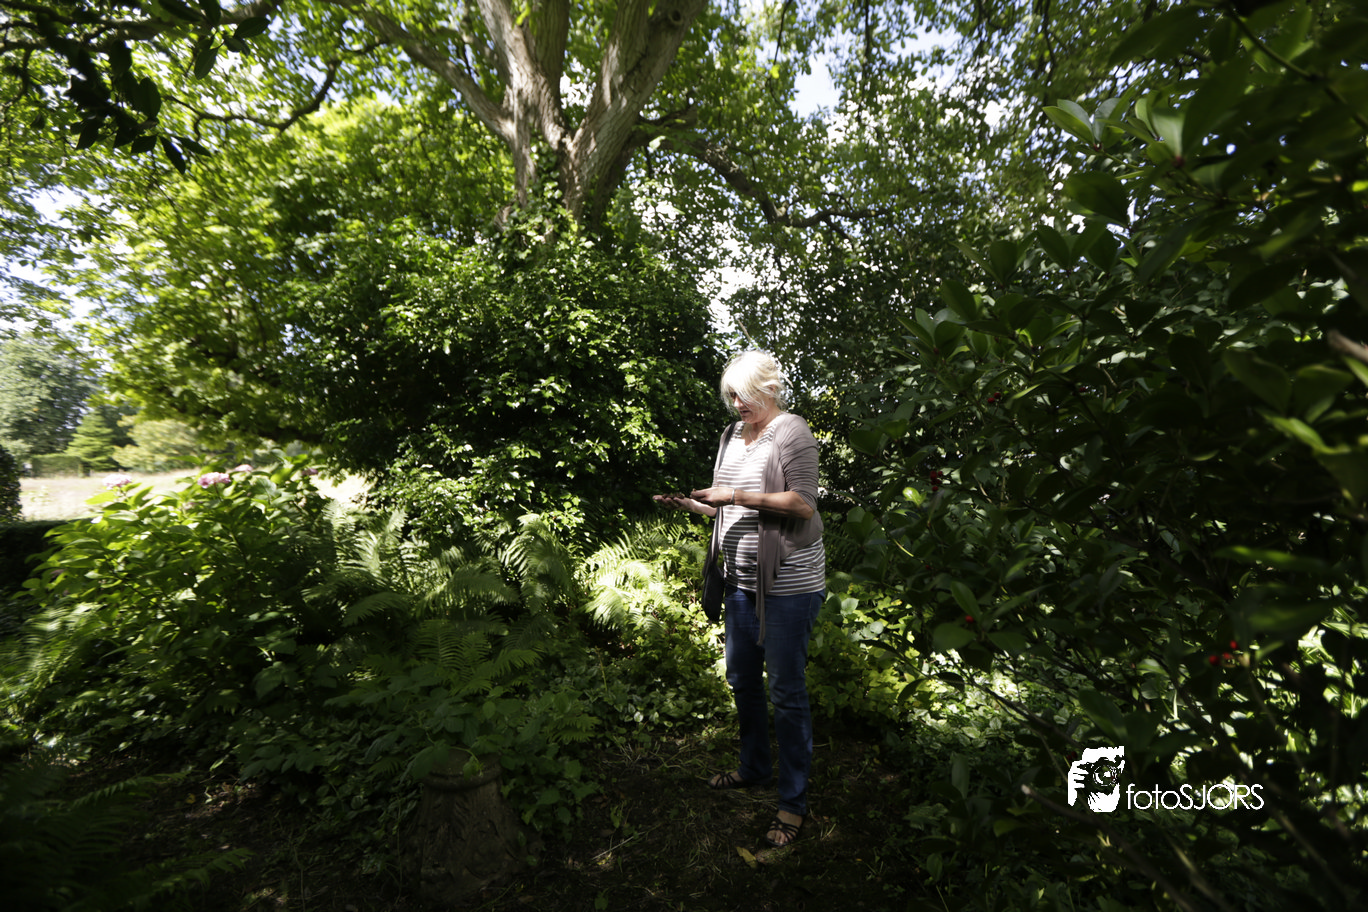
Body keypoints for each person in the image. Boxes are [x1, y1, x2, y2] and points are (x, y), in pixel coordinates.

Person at [654, 350, 825, 848]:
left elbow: (803, 503)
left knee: (786, 693)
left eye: (745, 394)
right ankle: (754, 766)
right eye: (731, 395)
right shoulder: (731, 435)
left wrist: (731, 495)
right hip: (740, 583)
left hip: (789, 585)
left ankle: (793, 804)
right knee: (743, 680)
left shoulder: (792, 431)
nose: (736, 403)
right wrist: (697, 504)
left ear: (770, 388)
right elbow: (726, 509)